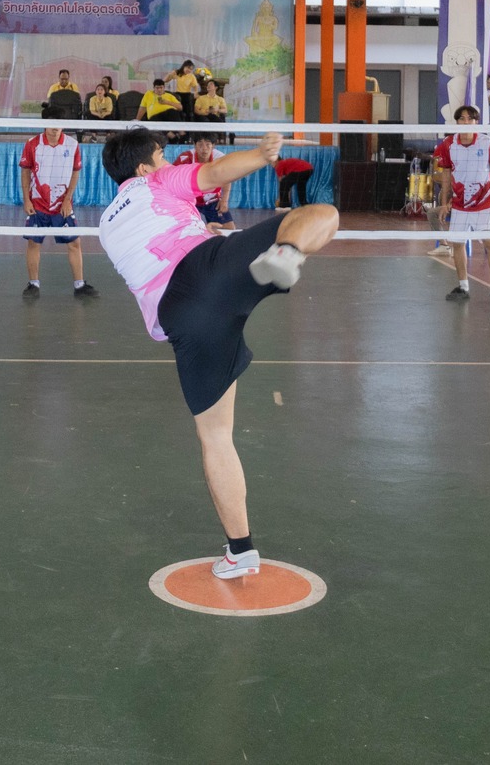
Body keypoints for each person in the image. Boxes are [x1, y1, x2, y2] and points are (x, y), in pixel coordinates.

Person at [94, 127, 339, 579]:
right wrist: (262, 154)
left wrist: (198, 228)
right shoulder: (155, 182)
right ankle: (287, 254)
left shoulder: (107, 223)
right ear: (145, 167)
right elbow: (213, 173)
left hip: (183, 319)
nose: (169, 163)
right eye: (163, 157)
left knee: (216, 437)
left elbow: (155, 248)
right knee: (318, 213)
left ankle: (241, 550)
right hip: (210, 270)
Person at [436, 105, 490, 305]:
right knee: (458, 243)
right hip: (459, 204)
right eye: (462, 119)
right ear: (456, 122)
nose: (466, 122)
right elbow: (446, 173)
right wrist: (443, 203)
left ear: (476, 122)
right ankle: (463, 286)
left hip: (484, 204)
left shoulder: (486, 141)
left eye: (470, 119)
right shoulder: (449, 144)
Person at [19, 124, 95, 299]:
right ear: (45, 125)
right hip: (37, 204)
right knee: (33, 243)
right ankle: (33, 284)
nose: (56, 129)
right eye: (52, 124)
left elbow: (75, 173)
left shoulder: (72, 144)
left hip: (62, 205)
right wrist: (26, 199)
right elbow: (25, 172)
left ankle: (79, 285)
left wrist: (68, 199)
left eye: (59, 124)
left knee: (75, 243)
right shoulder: (32, 144)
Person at [188, 137, 236, 230]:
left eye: (207, 144)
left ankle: (209, 233)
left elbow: (226, 179)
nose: (204, 148)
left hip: (211, 199)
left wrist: (224, 200)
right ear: (195, 145)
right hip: (191, 200)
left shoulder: (220, 157)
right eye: (200, 144)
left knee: (229, 228)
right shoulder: (187, 157)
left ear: (213, 145)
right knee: (187, 229)